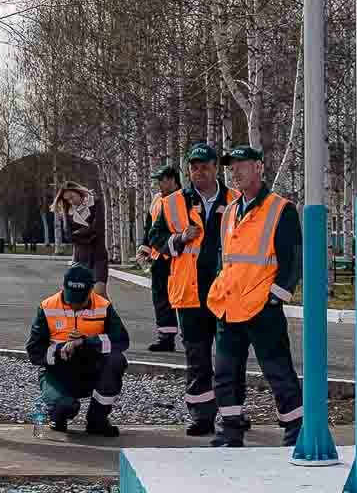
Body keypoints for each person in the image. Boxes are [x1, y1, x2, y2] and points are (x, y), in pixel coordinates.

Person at [205, 144, 304, 448]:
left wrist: (276, 297)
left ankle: (296, 432)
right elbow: (229, 257)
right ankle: (230, 431)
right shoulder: (231, 210)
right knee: (224, 373)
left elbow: (293, 259)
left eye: (242, 165)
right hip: (229, 305)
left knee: (278, 371)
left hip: (262, 307)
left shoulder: (279, 208)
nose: (235, 171)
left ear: (259, 167)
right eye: (231, 167)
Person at [162, 142, 234, 436]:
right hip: (190, 293)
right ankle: (201, 415)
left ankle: (232, 413)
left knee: (230, 354)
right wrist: (179, 238)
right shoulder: (172, 203)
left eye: (205, 167)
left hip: (228, 291)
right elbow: (155, 241)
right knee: (197, 356)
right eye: (194, 167)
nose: (199, 172)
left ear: (216, 168)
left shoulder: (235, 200)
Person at [25, 263, 130, 437]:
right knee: (65, 406)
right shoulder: (47, 306)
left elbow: (121, 340)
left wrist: (87, 343)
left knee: (116, 361)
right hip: (57, 372)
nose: (74, 305)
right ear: (63, 288)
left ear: (90, 291)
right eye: (70, 298)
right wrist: (59, 351)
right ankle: (57, 417)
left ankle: (98, 420)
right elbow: (34, 351)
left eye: (79, 300)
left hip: (91, 370)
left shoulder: (103, 306)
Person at [134, 163, 185, 352]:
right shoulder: (157, 199)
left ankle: (190, 338)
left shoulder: (183, 200)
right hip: (159, 257)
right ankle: (166, 337)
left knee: (181, 298)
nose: (158, 185)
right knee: (161, 298)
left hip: (178, 257)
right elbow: (150, 226)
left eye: (161, 181)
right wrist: (144, 249)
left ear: (172, 180)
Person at [52, 181, 109, 294]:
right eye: (68, 200)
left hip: (98, 256)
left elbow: (98, 229)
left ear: (78, 192)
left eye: (72, 197)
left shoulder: (95, 203)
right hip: (79, 257)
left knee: (99, 293)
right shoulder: (68, 212)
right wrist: (88, 233)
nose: (71, 201)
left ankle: (108, 312)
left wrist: (79, 233)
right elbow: (69, 236)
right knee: (76, 295)